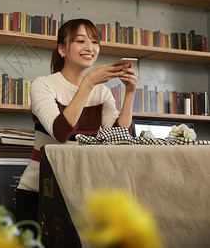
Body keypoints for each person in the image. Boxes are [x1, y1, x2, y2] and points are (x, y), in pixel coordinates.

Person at [15, 18, 138, 226]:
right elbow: (60, 133)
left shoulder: (102, 92)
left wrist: (130, 92)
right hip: (40, 192)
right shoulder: (43, 85)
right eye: (80, 41)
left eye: (94, 42)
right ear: (62, 50)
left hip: (84, 193)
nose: (89, 48)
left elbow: (120, 141)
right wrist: (88, 83)